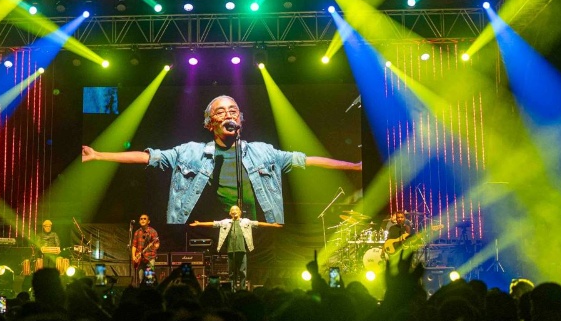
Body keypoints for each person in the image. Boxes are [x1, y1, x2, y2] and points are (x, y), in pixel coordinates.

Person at [82, 94, 361, 224]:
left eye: (233, 110)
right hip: (207, 228)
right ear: (209, 123)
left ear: (241, 119)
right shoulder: (189, 152)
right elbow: (148, 157)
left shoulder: (264, 152)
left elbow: (306, 160)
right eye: (221, 111)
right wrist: (98, 155)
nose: (229, 114)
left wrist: (353, 166)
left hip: (258, 229)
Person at [189, 204, 281, 291]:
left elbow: (258, 223)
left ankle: (242, 289)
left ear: (240, 212)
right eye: (232, 210)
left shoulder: (246, 221)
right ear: (230, 213)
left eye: (236, 209)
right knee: (231, 273)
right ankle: (232, 289)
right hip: (231, 251)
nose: (234, 211)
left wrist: (272, 225)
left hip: (242, 251)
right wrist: (199, 223)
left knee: (242, 272)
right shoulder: (225, 222)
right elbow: (213, 223)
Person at [131, 213, 161, 285]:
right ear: (139, 221)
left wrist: (154, 246)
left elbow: (157, 245)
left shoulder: (153, 232)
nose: (143, 220)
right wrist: (134, 257)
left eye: (145, 219)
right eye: (141, 219)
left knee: (149, 279)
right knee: (141, 279)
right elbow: (134, 246)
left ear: (148, 221)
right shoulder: (137, 232)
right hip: (140, 259)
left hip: (150, 258)